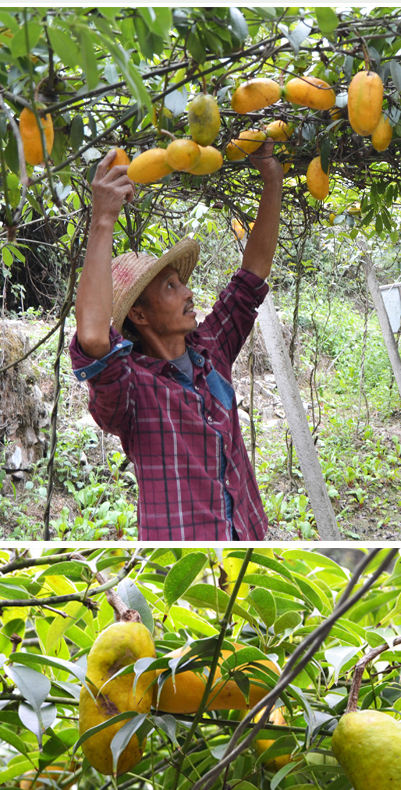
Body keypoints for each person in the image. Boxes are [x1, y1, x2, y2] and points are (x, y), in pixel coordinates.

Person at [69, 138, 284, 541]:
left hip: (248, 539)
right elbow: (95, 337)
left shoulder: (210, 349)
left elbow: (253, 272)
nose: (188, 293)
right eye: (171, 287)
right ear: (139, 314)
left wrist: (272, 179)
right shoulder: (131, 390)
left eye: (181, 282)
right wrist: (103, 220)